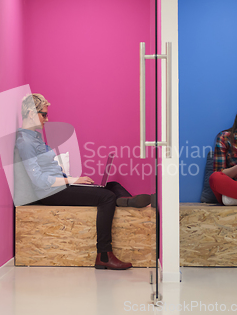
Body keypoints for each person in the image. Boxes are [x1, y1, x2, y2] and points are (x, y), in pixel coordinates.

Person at [15, 94, 153, 270]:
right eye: (44, 114)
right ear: (30, 113)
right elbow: (39, 181)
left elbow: (47, 168)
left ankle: (130, 202)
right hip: (51, 193)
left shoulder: (34, 137)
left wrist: (71, 180)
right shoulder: (25, 142)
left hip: (61, 186)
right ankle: (104, 255)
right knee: (106, 197)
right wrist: (72, 180)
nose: (47, 119)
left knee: (112, 185)